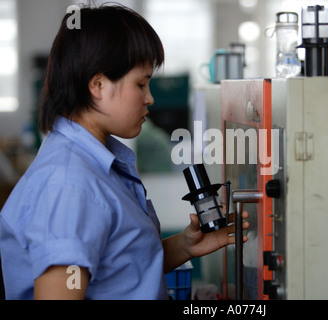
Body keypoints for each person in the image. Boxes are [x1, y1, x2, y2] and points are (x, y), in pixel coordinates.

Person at [0, 4, 249, 300]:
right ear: (98, 84)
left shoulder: (96, 162)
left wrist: (184, 246)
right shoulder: (69, 183)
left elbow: (115, 269)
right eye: (141, 84)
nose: (150, 98)